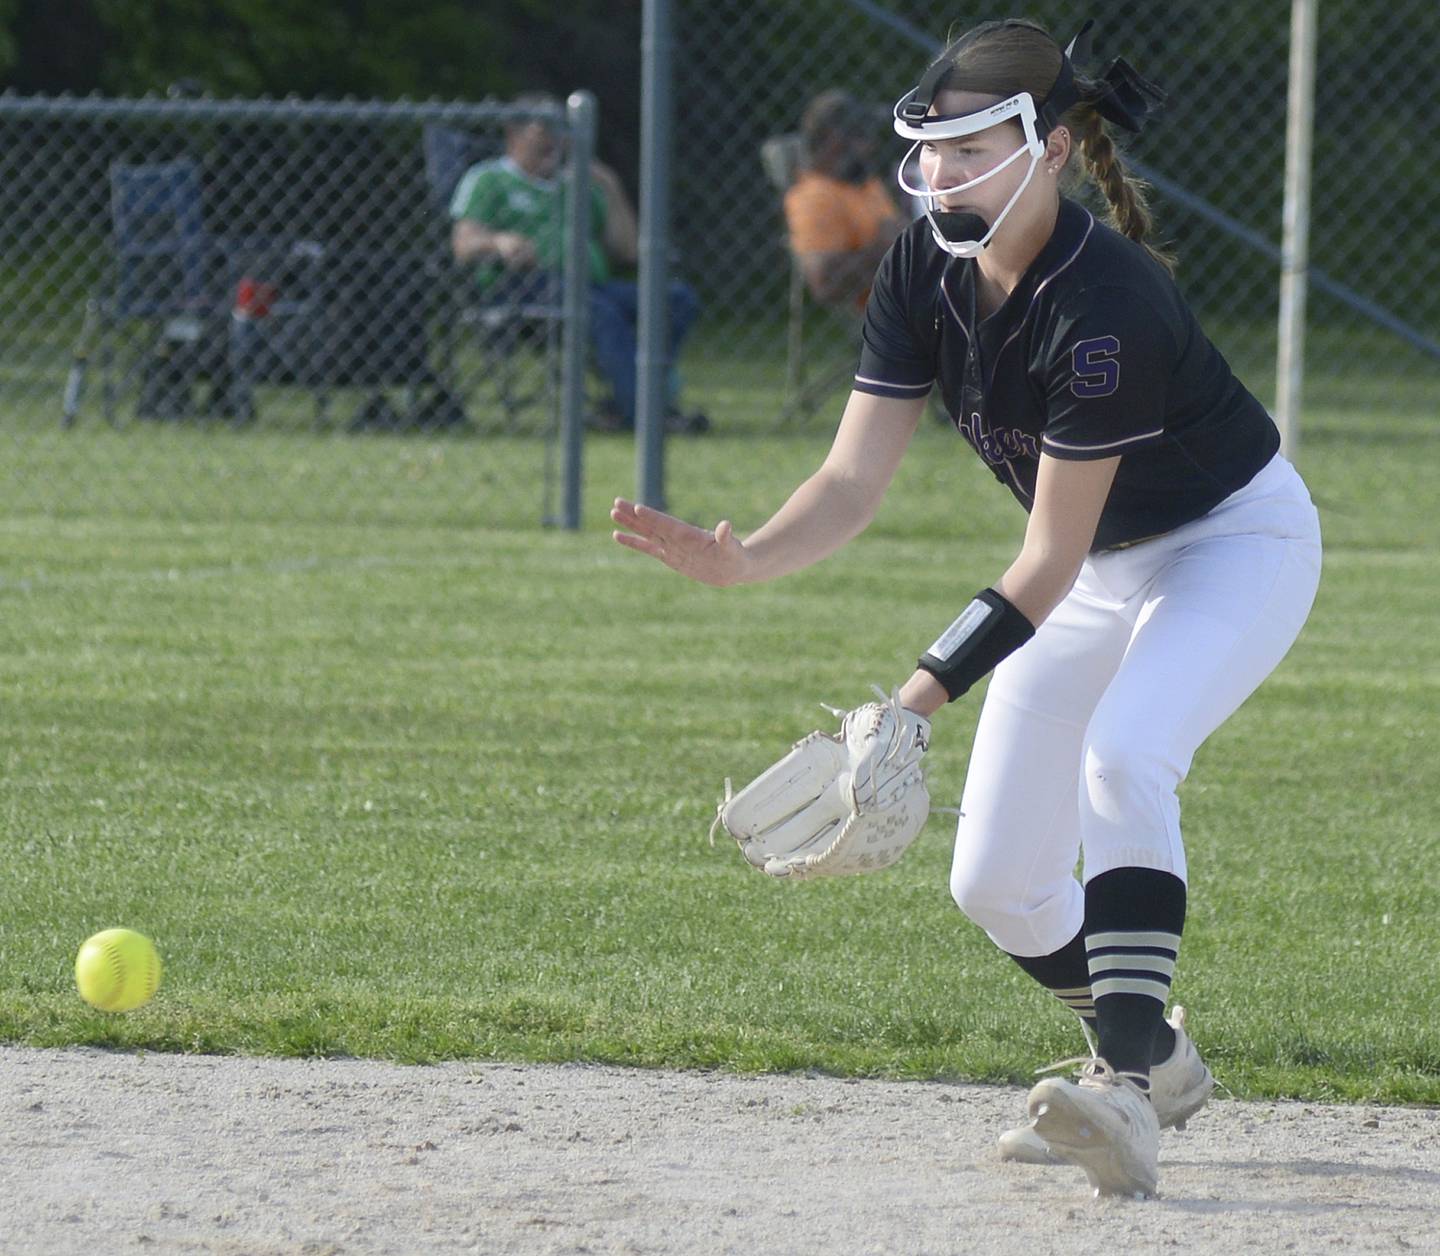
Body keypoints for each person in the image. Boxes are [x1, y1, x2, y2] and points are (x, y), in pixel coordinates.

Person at [612, 17, 1321, 1200]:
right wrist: (748, 561)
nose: (940, 174)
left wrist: (913, 697)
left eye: (972, 147)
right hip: (1101, 567)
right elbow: (849, 481)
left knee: (1127, 754)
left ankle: (1126, 1098)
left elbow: (1046, 554)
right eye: (929, 150)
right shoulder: (918, 268)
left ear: (1045, 150)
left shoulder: (1107, 304)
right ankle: (1157, 1050)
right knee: (994, 879)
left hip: (1229, 545)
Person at [449, 93, 708, 433]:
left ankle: (627, 402)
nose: (555, 140)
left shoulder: (577, 185)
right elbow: (463, 244)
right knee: (600, 312)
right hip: (522, 288)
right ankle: (649, 416)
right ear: (514, 134)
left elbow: (629, 250)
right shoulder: (489, 179)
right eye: (544, 129)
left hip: (591, 285)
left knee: (675, 300)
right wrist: (498, 242)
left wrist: (610, 186)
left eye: (561, 130)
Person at [784, 90, 910, 310]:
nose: (871, 146)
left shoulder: (865, 183)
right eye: (861, 136)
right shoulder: (813, 197)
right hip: (894, 317)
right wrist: (885, 251)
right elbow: (824, 284)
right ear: (833, 140)